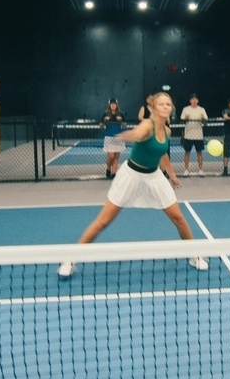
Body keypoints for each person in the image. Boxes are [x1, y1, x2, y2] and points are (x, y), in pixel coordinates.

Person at [58, 92, 207, 278]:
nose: (165, 106)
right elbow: (138, 134)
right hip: (131, 176)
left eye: (168, 104)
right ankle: (70, 259)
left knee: (178, 217)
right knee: (103, 221)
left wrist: (172, 174)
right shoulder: (147, 126)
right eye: (161, 104)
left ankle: (193, 254)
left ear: (172, 108)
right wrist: (126, 136)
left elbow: (162, 154)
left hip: (154, 176)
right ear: (152, 107)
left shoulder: (167, 131)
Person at [179, 93, 209, 175]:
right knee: (187, 152)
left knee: (199, 152)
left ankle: (200, 170)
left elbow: (205, 123)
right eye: (192, 99)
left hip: (198, 135)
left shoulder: (202, 109)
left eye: (196, 99)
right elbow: (181, 121)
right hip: (188, 134)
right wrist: (186, 118)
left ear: (198, 100)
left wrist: (203, 119)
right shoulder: (186, 109)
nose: (194, 100)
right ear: (190, 101)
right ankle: (186, 170)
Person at [101, 98, 125, 179]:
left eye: (114, 104)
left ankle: (114, 173)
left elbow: (125, 125)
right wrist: (105, 121)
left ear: (117, 105)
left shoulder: (120, 114)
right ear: (109, 105)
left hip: (118, 137)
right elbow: (101, 126)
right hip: (109, 137)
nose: (113, 105)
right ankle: (108, 169)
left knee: (116, 156)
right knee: (111, 156)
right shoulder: (105, 114)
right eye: (111, 104)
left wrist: (121, 121)